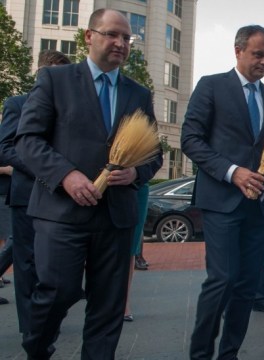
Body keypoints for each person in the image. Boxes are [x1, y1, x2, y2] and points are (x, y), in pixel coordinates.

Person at [14, 9, 162, 358]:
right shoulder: (55, 80)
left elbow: (154, 153)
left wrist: (136, 173)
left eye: (127, 38)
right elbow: (28, 140)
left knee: (108, 306)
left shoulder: (138, 94)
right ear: (89, 37)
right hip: (61, 214)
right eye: (112, 34)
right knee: (57, 292)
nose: (121, 43)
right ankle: (37, 346)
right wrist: (65, 174)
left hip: (115, 216)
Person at [181, 25, 264, 360]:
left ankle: (229, 354)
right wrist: (232, 171)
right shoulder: (211, 86)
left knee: (247, 286)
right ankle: (200, 354)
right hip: (221, 202)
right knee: (222, 280)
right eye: (258, 54)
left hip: (258, 207)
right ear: (238, 50)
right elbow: (190, 139)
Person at [0, 49, 71, 329]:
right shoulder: (17, 103)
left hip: (60, 197)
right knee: (27, 264)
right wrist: (49, 170)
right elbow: (5, 148)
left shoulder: (66, 107)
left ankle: (48, 316)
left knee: (56, 263)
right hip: (27, 194)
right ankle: (31, 328)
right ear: (43, 72)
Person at [124, 183, 150, 322]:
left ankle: (124, 302)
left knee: (130, 248)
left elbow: (153, 161)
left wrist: (136, 172)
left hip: (135, 186)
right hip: (96, 184)